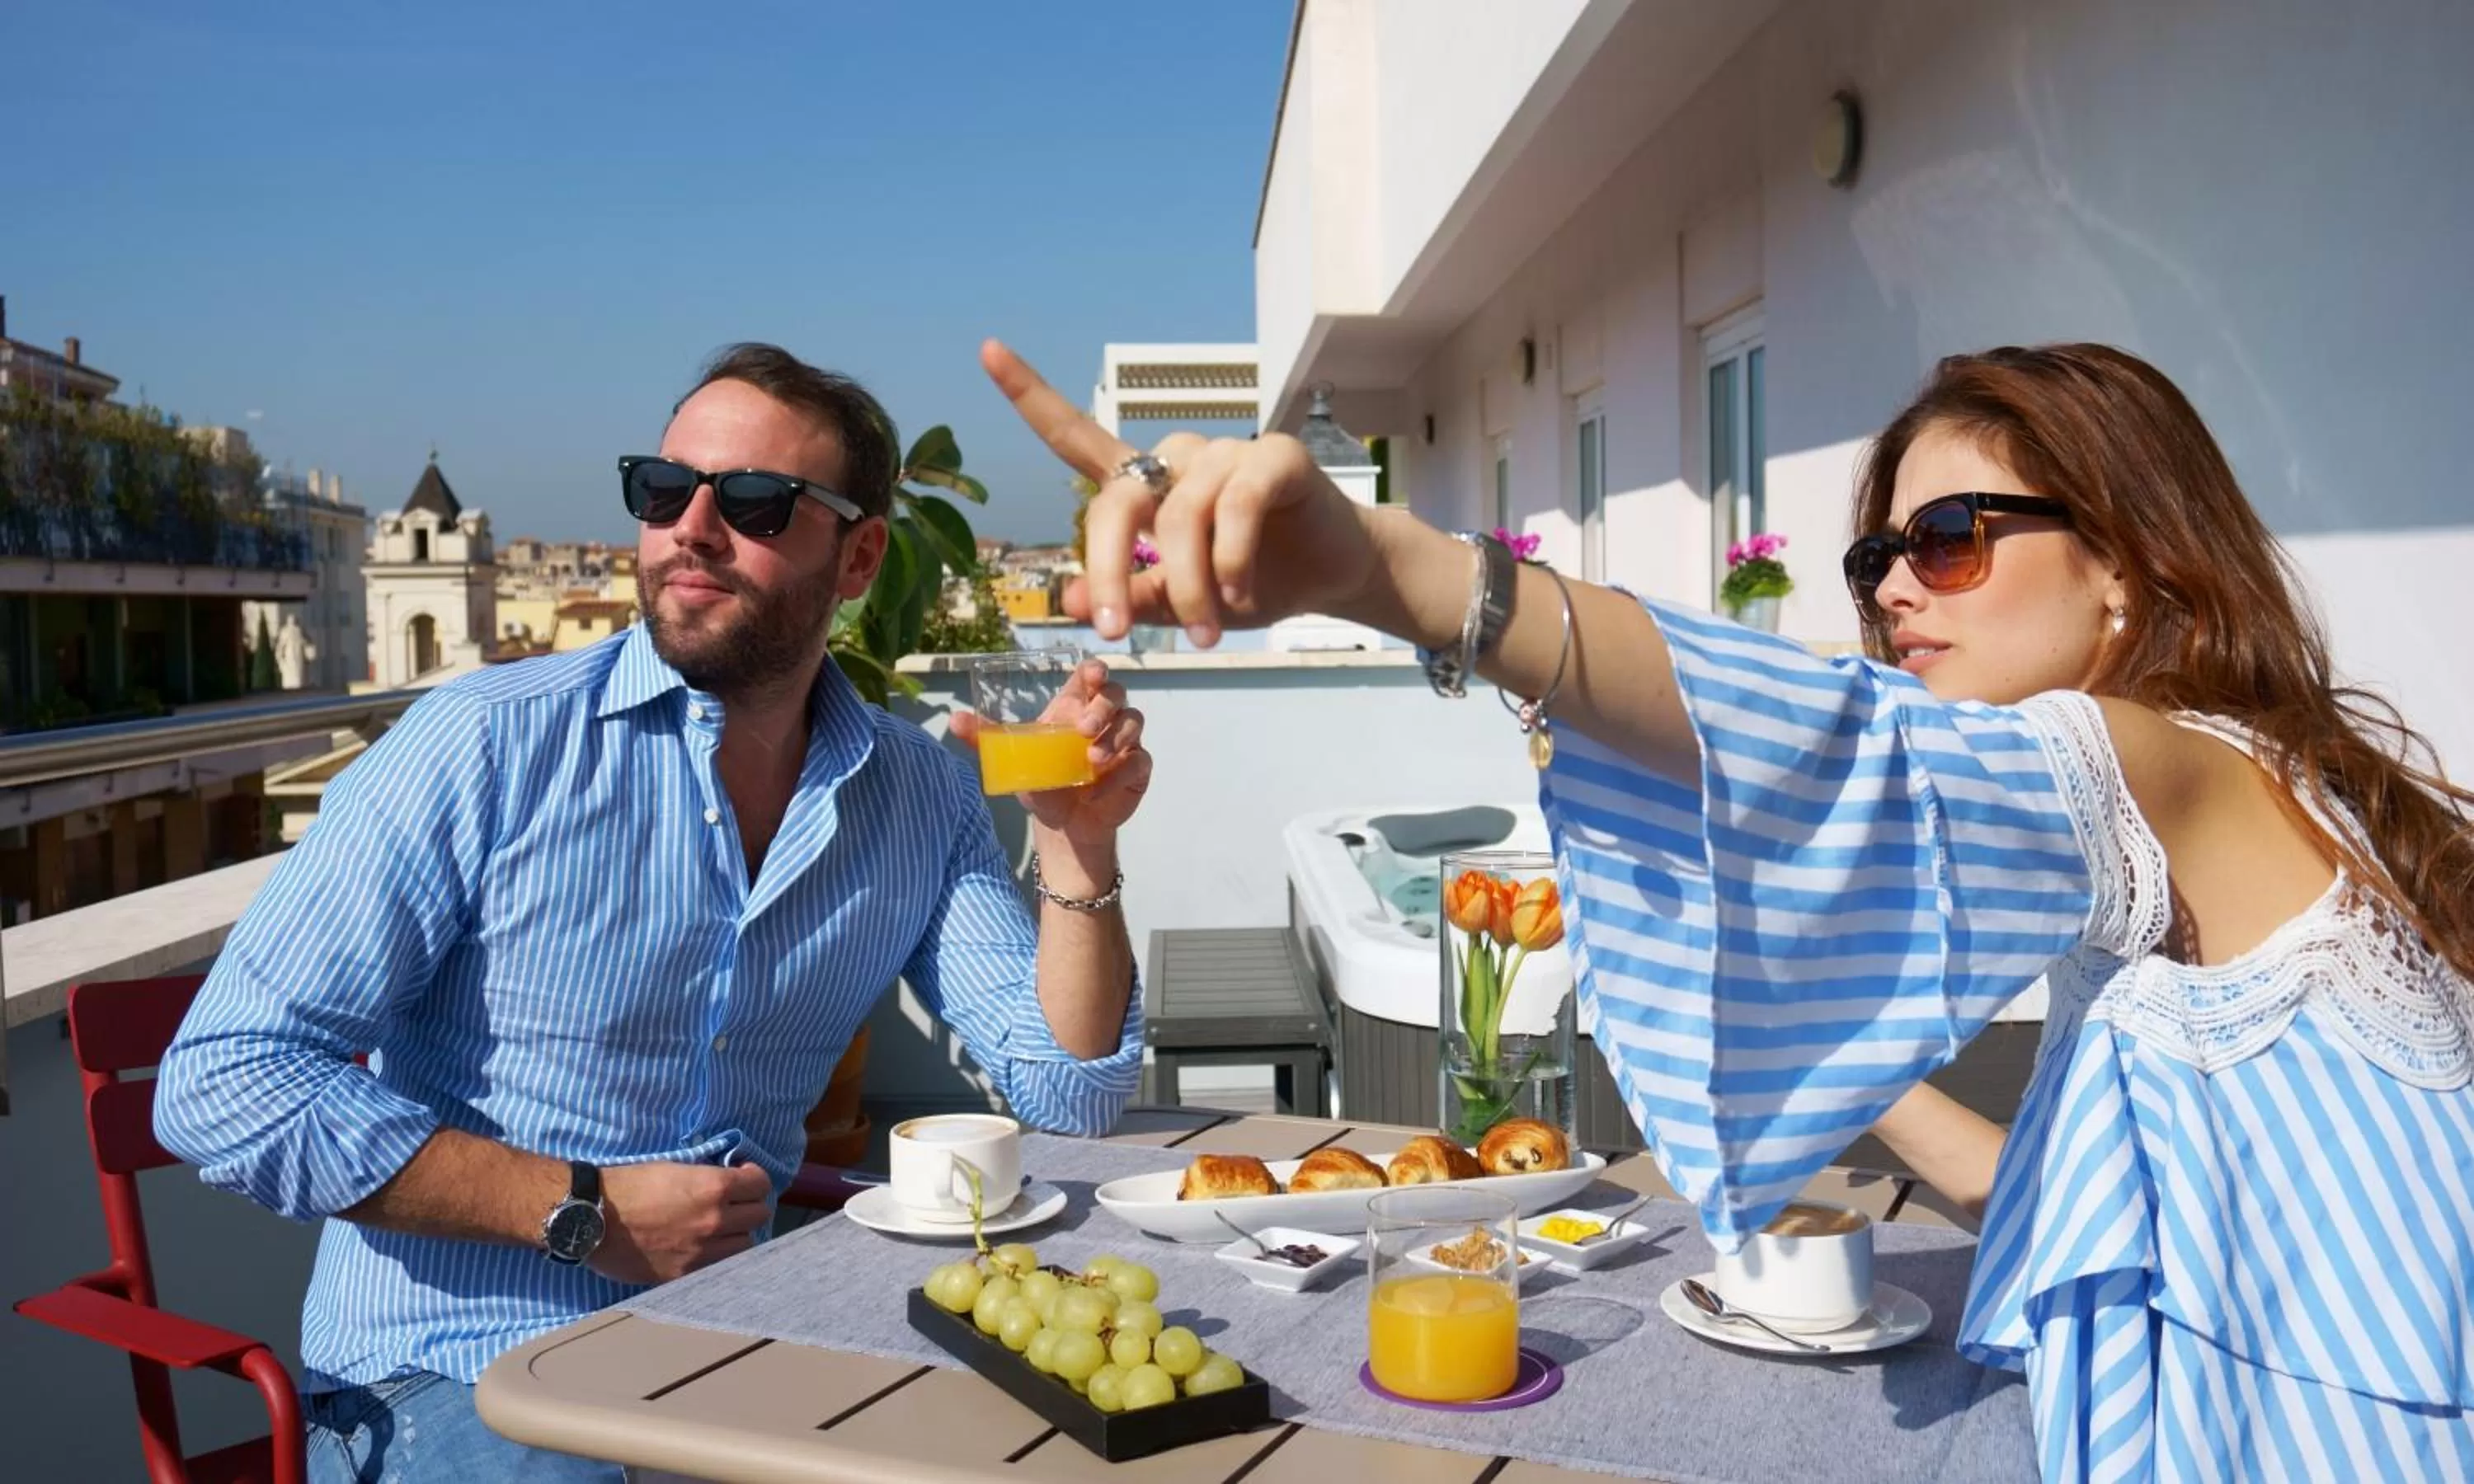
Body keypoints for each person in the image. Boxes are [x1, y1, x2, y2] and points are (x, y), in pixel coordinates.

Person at [981, 338, 2473, 1480]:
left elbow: (1841, 745)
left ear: (2130, 570)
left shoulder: (2182, 771)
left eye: (1952, 537)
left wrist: (1392, 571)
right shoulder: (2249, 824)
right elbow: (2065, 1198)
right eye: (1879, 557)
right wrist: (1831, 1043)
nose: (1898, 590)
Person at [156, 343, 1155, 1482]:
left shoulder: (916, 793)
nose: (692, 528)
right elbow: (225, 1080)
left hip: (735, 1352)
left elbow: (1072, 1092)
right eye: (663, 489)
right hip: (454, 1374)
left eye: (756, 501)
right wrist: (580, 1210)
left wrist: (1078, 842)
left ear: (861, 556)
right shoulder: (487, 744)